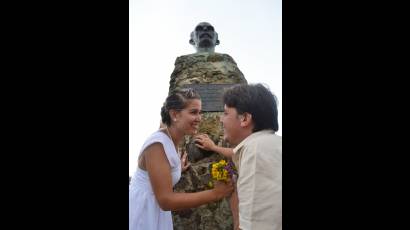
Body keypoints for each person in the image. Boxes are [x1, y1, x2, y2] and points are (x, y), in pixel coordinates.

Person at [129, 88, 234, 230]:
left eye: (200, 112)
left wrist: (176, 168)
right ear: (174, 114)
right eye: (193, 112)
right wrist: (215, 194)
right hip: (144, 212)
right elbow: (166, 201)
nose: (199, 118)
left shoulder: (173, 140)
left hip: (154, 210)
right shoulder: (157, 145)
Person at [199, 83, 282, 230]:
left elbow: (255, 226)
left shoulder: (255, 153)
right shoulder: (270, 144)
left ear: (244, 119)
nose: (220, 120)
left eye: (225, 113)